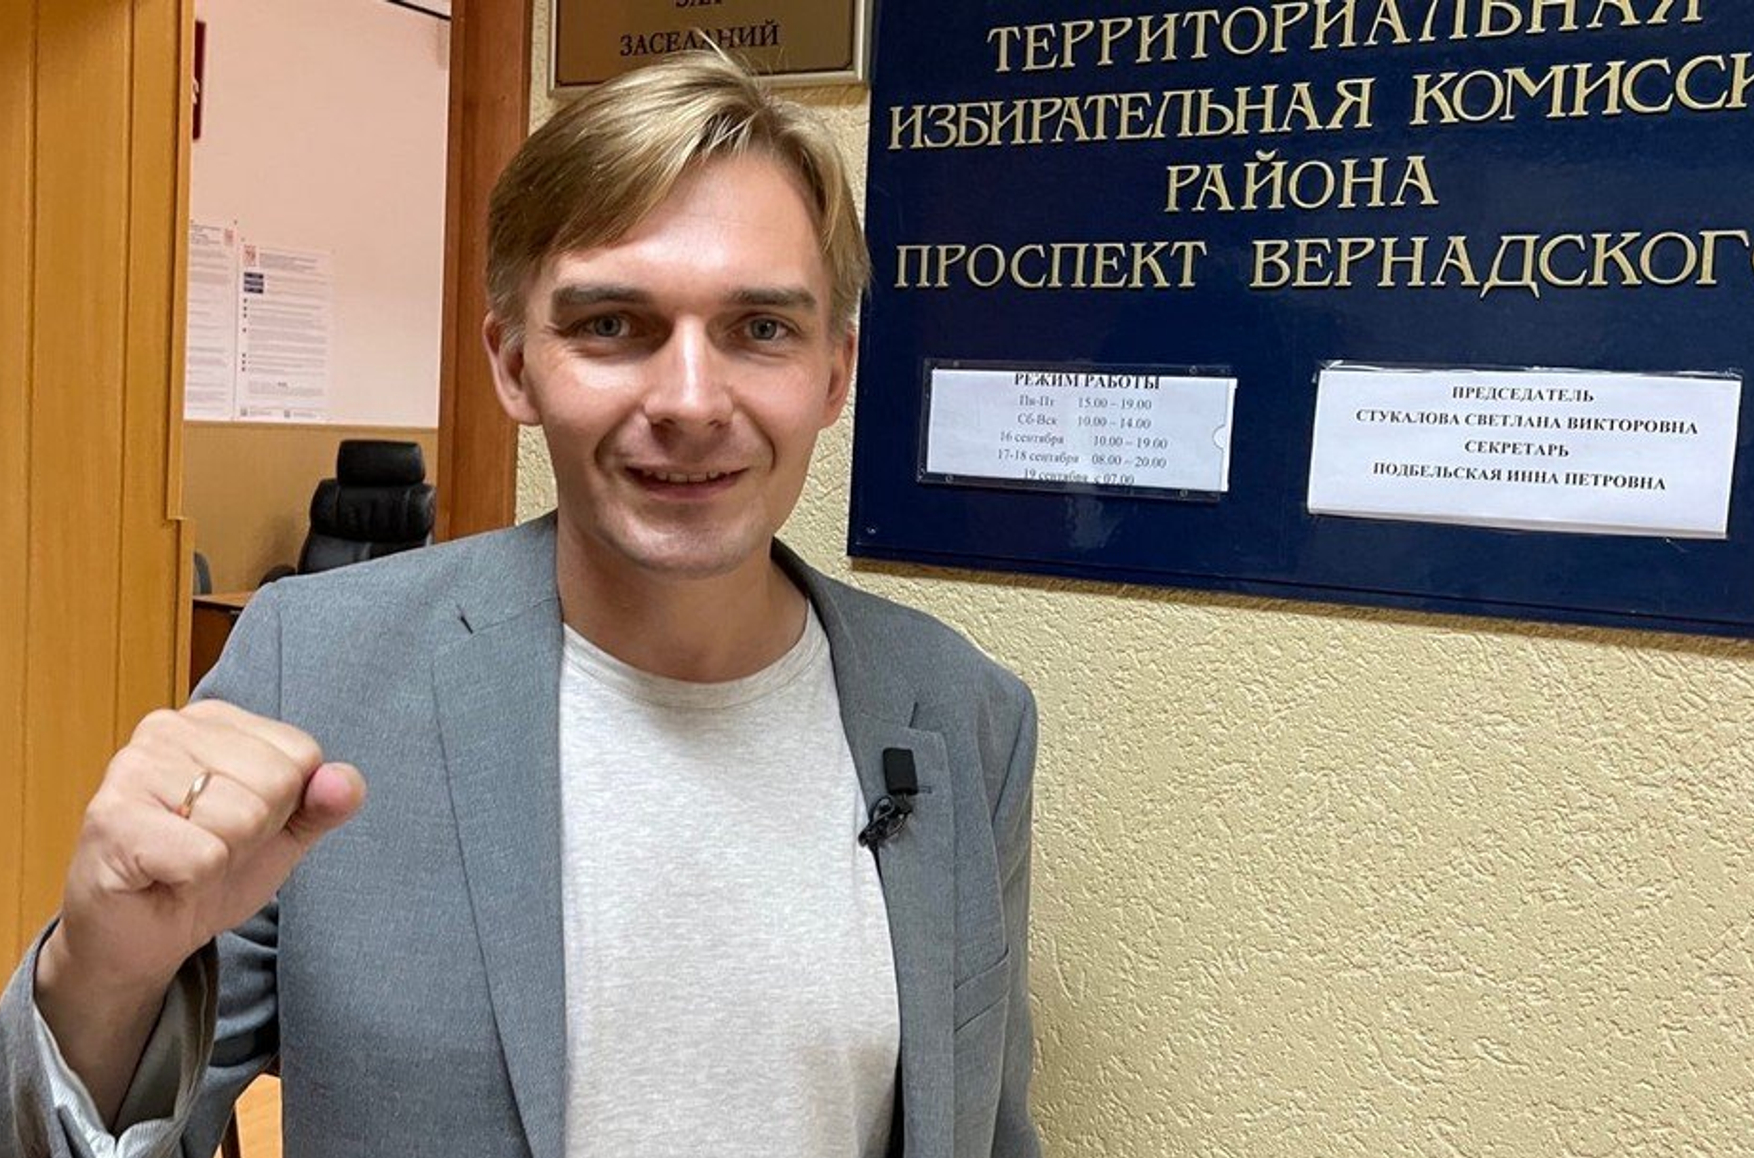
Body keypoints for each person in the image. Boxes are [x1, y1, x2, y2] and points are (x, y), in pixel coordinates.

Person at [0, 51, 1040, 1158]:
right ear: (511, 365)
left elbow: (985, 1123)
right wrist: (104, 972)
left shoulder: (960, 717)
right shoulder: (322, 670)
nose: (691, 402)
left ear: (833, 373)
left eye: (760, 329)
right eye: (612, 326)